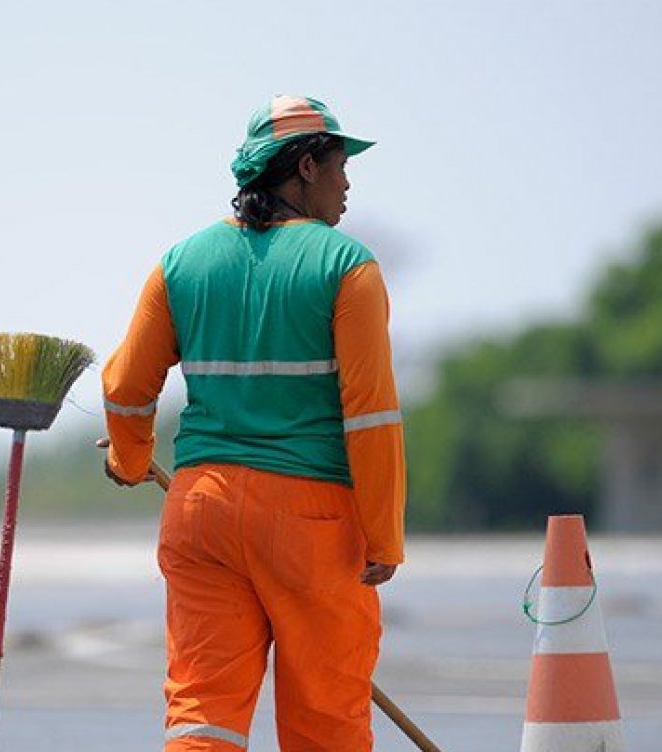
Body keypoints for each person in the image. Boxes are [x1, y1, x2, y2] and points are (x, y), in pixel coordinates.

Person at [102, 95, 406, 751]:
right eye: (338, 165)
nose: (347, 182)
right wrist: (383, 534)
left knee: (202, 717)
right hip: (312, 523)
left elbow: (126, 387)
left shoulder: (181, 263)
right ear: (303, 167)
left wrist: (127, 459)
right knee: (325, 724)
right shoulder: (346, 266)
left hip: (202, 511)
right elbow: (372, 415)